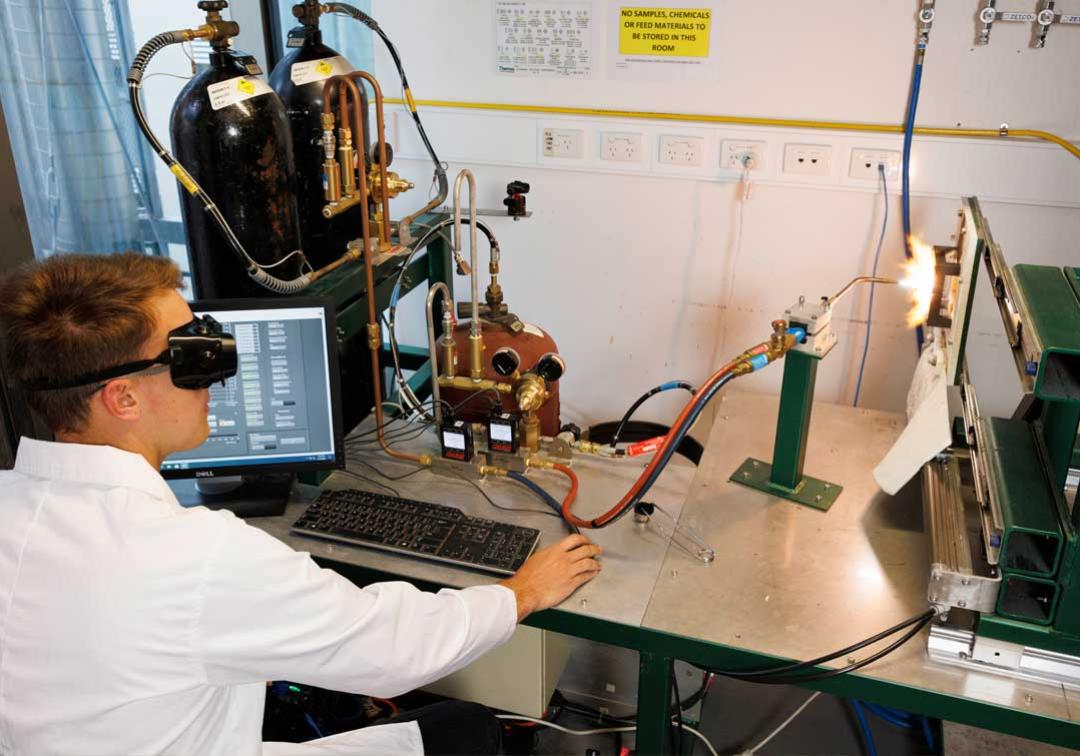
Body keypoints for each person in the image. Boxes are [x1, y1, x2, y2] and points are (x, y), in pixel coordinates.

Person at [0, 253, 602, 756]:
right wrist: (519, 593)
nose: (216, 373)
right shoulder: (195, 558)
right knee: (464, 730)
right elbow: (392, 648)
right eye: (190, 354)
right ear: (123, 397)